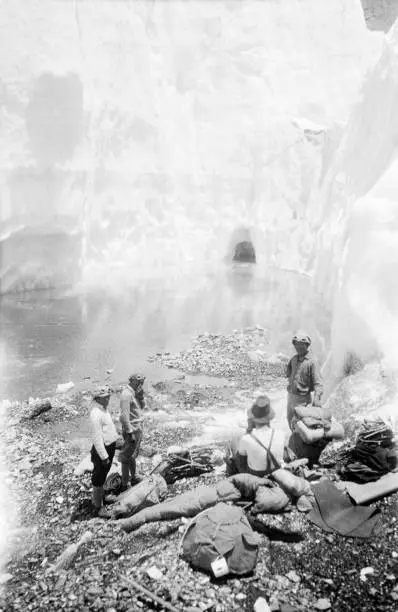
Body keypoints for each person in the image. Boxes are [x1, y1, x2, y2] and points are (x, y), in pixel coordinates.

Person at [235, 395, 285, 477]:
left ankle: (235, 478)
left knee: (235, 444)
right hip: (276, 472)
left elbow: (241, 460)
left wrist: (248, 430)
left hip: (256, 475)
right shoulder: (280, 433)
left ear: (252, 419)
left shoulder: (246, 438)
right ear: (269, 418)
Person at [89, 385, 118, 519]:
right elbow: (96, 437)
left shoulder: (103, 409)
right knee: (98, 478)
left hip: (109, 446)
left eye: (108, 397)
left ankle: (102, 498)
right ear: (98, 399)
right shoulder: (96, 413)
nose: (108, 400)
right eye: (105, 398)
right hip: (103, 449)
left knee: (103, 474)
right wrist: (103, 456)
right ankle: (98, 507)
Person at [286, 332, 323, 431]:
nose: (298, 347)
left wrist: (317, 397)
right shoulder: (293, 359)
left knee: (300, 423)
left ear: (306, 345)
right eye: (296, 344)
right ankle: (294, 439)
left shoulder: (312, 361)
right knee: (289, 419)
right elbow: (288, 372)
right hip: (290, 396)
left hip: (302, 400)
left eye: (300, 345)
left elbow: (318, 382)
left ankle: (301, 443)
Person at [119, 374, 145, 490]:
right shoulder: (126, 394)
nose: (141, 384)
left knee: (132, 455)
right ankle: (125, 484)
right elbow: (124, 416)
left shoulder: (134, 392)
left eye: (142, 382)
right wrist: (130, 432)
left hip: (137, 427)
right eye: (139, 382)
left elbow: (141, 407)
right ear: (133, 381)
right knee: (125, 457)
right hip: (132, 429)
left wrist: (140, 396)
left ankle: (134, 476)